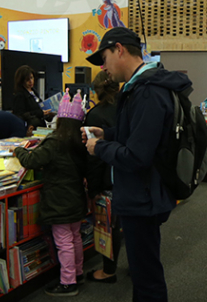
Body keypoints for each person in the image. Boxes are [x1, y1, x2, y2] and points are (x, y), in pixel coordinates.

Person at [83, 27, 191, 302]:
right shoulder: (141, 88)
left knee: (146, 276)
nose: (104, 67)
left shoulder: (147, 92)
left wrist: (99, 147)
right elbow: (141, 136)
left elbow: (137, 156)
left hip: (143, 197)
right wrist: (107, 134)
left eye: (104, 58)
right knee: (144, 271)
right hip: (145, 193)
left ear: (119, 49)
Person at [13, 94, 89, 296]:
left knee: (63, 240)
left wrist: (19, 151)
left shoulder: (54, 141)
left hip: (59, 200)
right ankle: (78, 273)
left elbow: (32, 161)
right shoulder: (80, 141)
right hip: (76, 198)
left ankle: (68, 282)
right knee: (75, 237)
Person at [84, 71, 122, 283]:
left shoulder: (95, 115)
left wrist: (93, 187)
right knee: (128, 224)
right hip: (128, 173)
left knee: (108, 225)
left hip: (107, 177)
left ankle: (108, 270)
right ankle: (136, 266)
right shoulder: (128, 110)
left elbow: (93, 155)